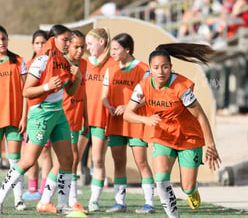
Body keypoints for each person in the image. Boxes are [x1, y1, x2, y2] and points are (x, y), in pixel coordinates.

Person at [124, 43, 221, 218]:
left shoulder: (181, 88)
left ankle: (192, 191)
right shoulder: (143, 86)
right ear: (150, 69)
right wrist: (145, 119)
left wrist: (211, 145)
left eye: (165, 67)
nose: (160, 72)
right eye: (156, 68)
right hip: (163, 136)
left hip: (188, 138)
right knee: (161, 181)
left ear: (171, 68)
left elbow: (200, 116)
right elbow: (128, 113)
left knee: (187, 186)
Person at [0, 24, 83, 215]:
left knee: (67, 159)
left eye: (70, 40)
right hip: (41, 113)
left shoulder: (64, 61)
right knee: (28, 160)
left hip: (58, 113)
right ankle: (1, 197)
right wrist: (46, 86)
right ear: (53, 40)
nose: (69, 43)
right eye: (65, 39)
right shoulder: (42, 61)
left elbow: (70, 91)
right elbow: (26, 91)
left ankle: (62, 204)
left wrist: (77, 78)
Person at [36, 30, 89, 214]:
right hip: (62, 116)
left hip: (76, 117)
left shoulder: (84, 64)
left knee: (69, 159)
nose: (80, 51)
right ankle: (53, 200)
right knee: (66, 159)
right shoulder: (60, 62)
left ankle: (62, 200)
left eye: (83, 47)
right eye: (76, 46)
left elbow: (83, 92)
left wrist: (86, 118)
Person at [101, 33, 155, 214]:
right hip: (116, 122)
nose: (112, 52)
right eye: (112, 49)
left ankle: (149, 202)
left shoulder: (143, 68)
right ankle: (119, 202)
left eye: (116, 49)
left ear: (127, 50)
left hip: (136, 122)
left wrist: (129, 107)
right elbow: (104, 95)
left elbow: (149, 96)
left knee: (141, 162)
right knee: (118, 162)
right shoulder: (110, 68)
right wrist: (108, 105)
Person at [82, 27, 116, 212]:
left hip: (100, 119)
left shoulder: (112, 63)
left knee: (98, 161)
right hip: (81, 118)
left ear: (102, 42)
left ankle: (94, 200)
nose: (87, 48)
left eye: (89, 43)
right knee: (70, 160)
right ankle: (70, 198)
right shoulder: (84, 63)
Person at [22, 30, 53, 201]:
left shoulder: (52, 64)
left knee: (46, 153)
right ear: (32, 45)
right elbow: (25, 93)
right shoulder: (28, 64)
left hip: (46, 114)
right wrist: (24, 117)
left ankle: (43, 189)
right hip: (32, 115)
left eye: (44, 43)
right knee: (29, 152)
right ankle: (32, 187)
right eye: (38, 43)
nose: (41, 46)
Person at [0, 25, 28, 211]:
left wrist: (24, 116)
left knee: (15, 161)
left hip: (14, 117)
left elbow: (27, 92)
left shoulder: (18, 61)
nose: (1, 42)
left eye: (4, 38)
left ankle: (19, 199)